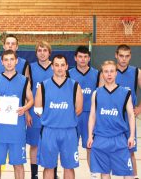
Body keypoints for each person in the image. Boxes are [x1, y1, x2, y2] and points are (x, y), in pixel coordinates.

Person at [0, 34, 29, 179]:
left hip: (16, 120)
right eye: (7, 43)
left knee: (18, 163)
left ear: (17, 47)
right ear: (3, 47)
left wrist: (26, 110)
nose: (10, 46)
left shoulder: (24, 67)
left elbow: (27, 95)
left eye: (13, 43)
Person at [35, 54, 83, 179]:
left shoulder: (75, 86)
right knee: (48, 166)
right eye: (56, 65)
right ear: (52, 67)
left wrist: (63, 117)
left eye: (62, 65)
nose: (60, 68)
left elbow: (79, 109)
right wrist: (53, 117)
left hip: (69, 132)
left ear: (67, 66)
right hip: (49, 131)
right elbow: (38, 109)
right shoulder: (43, 86)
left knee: (69, 166)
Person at [87, 60, 135, 179]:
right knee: (104, 173)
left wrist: (132, 136)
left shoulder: (125, 93)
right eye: (106, 71)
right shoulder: (96, 93)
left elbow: (130, 115)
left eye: (111, 71)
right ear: (102, 74)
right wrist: (89, 135)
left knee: (127, 172)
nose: (109, 74)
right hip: (101, 138)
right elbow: (92, 115)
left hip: (119, 138)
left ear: (116, 73)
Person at [99, 44, 141, 179]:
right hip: (109, 119)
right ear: (116, 55)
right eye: (121, 56)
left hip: (127, 120)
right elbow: (99, 96)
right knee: (106, 154)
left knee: (130, 152)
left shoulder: (136, 72)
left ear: (130, 56)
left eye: (127, 56)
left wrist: (139, 107)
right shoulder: (107, 72)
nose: (124, 59)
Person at [67, 46, 99, 179]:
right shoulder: (68, 73)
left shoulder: (97, 74)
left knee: (90, 147)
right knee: (70, 147)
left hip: (90, 116)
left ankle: (93, 174)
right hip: (73, 115)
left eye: (85, 57)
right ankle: (69, 173)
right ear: (75, 58)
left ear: (89, 58)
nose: (83, 59)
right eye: (80, 56)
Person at [26, 41, 53, 179]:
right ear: (36, 53)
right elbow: (25, 91)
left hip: (53, 112)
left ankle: (52, 173)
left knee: (52, 145)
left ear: (49, 52)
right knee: (34, 144)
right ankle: (34, 174)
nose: (42, 53)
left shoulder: (56, 67)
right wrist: (26, 113)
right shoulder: (30, 68)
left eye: (45, 50)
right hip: (34, 112)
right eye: (39, 50)